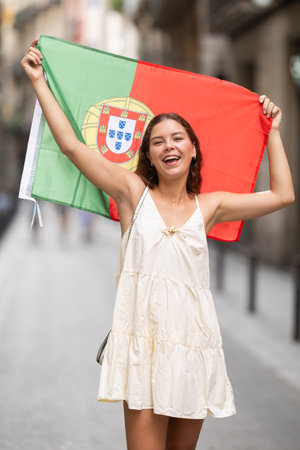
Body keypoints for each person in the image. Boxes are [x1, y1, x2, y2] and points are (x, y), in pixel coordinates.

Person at [21, 38, 295, 450]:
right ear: (148, 154)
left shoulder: (212, 206)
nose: (169, 146)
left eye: (178, 138)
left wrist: (272, 132)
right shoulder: (132, 193)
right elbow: (73, 147)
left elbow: (282, 195)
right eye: (159, 141)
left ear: (193, 150)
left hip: (192, 349)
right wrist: (40, 82)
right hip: (141, 349)